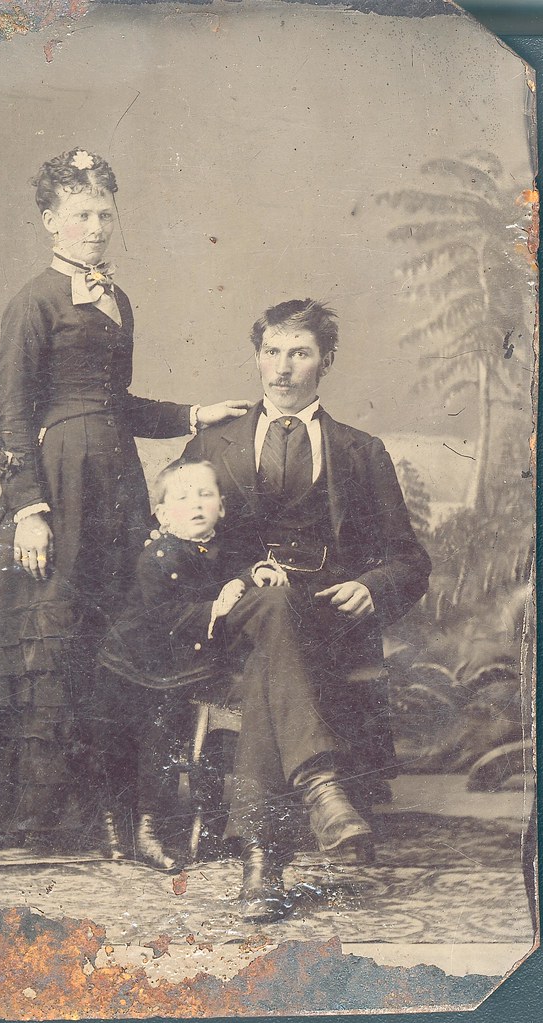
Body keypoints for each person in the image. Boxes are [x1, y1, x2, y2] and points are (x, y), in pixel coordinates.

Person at [0, 147, 249, 852]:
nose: (96, 227)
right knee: (50, 637)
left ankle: (106, 812)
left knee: (111, 641)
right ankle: (25, 815)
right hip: (59, 486)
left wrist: (195, 414)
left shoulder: (117, 299)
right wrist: (29, 510)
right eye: (81, 215)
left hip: (116, 487)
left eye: (104, 214)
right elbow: (11, 411)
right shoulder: (33, 301)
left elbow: (116, 403)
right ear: (50, 220)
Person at [182, 298, 431, 918]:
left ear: (327, 361)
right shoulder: (212, 444)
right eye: (272, 352)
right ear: (257, 357)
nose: (282, 368)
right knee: (271, 612)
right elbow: (175, 542)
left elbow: (409, 559)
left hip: (327, 620)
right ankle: (321, 789)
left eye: (299, 353)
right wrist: (239, 577)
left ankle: (262, 865)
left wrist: (372, 585)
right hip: (236, 614)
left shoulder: (361, 450)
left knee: (275, 658)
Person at [95, 458, 288, 873]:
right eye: (183, 498)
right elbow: (162, 615)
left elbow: (241, 565)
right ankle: (123, 829)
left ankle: (150, 830)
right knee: (131, 736)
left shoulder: (225, 545)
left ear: (222, 506)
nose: (197, 504)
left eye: (206, 495)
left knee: (164, 732)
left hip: (188, 660)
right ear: (163, 515)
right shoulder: (157, 557)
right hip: (138, 659)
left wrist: (252, 573)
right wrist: (214, 607)